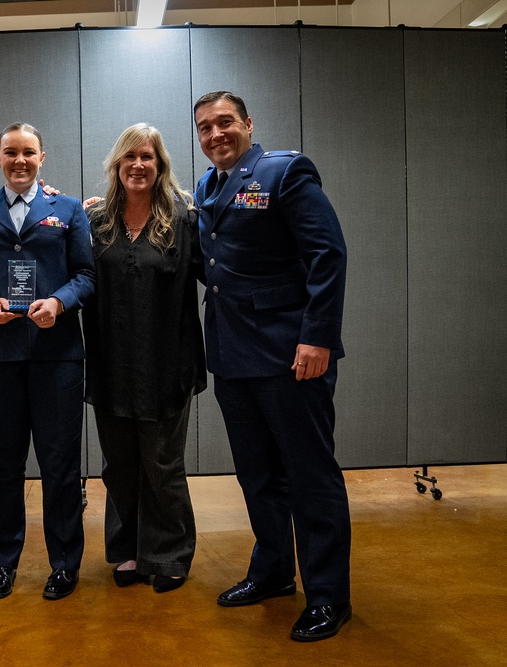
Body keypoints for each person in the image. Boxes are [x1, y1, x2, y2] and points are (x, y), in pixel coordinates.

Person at [192, 91, 351, 641]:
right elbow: (210, 261)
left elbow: (327, 254)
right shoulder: (208, 187)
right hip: (233, 356)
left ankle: (329, 595)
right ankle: (274, 572)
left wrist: (318, 337)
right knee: (258, 476)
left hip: (291, 355)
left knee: (309, 477)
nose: (216, 134)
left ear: (248, 124)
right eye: (206, 127)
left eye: (225, 122)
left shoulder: (283, 172)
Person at [0, 122, 95, 601]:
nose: (20, 161)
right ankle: (4, 562)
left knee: (59, 464)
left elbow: (87, 275)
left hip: (58, 358)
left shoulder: (68, 210)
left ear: (42, 156)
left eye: (29, 152)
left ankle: (65, 564)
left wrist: (60, 302)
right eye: (11, 152)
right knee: (2, 467)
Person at [82, 123, 206, 594]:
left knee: (162, 463)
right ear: (117, 165)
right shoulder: (96, 223)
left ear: (160, 166)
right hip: (111, 364)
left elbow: (214, 272)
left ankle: (170, 553)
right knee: (120, 463)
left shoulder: (183, 219)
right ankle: (129, 550)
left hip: (167, 364)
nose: (138, 164)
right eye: (129, 156)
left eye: (148, 157)